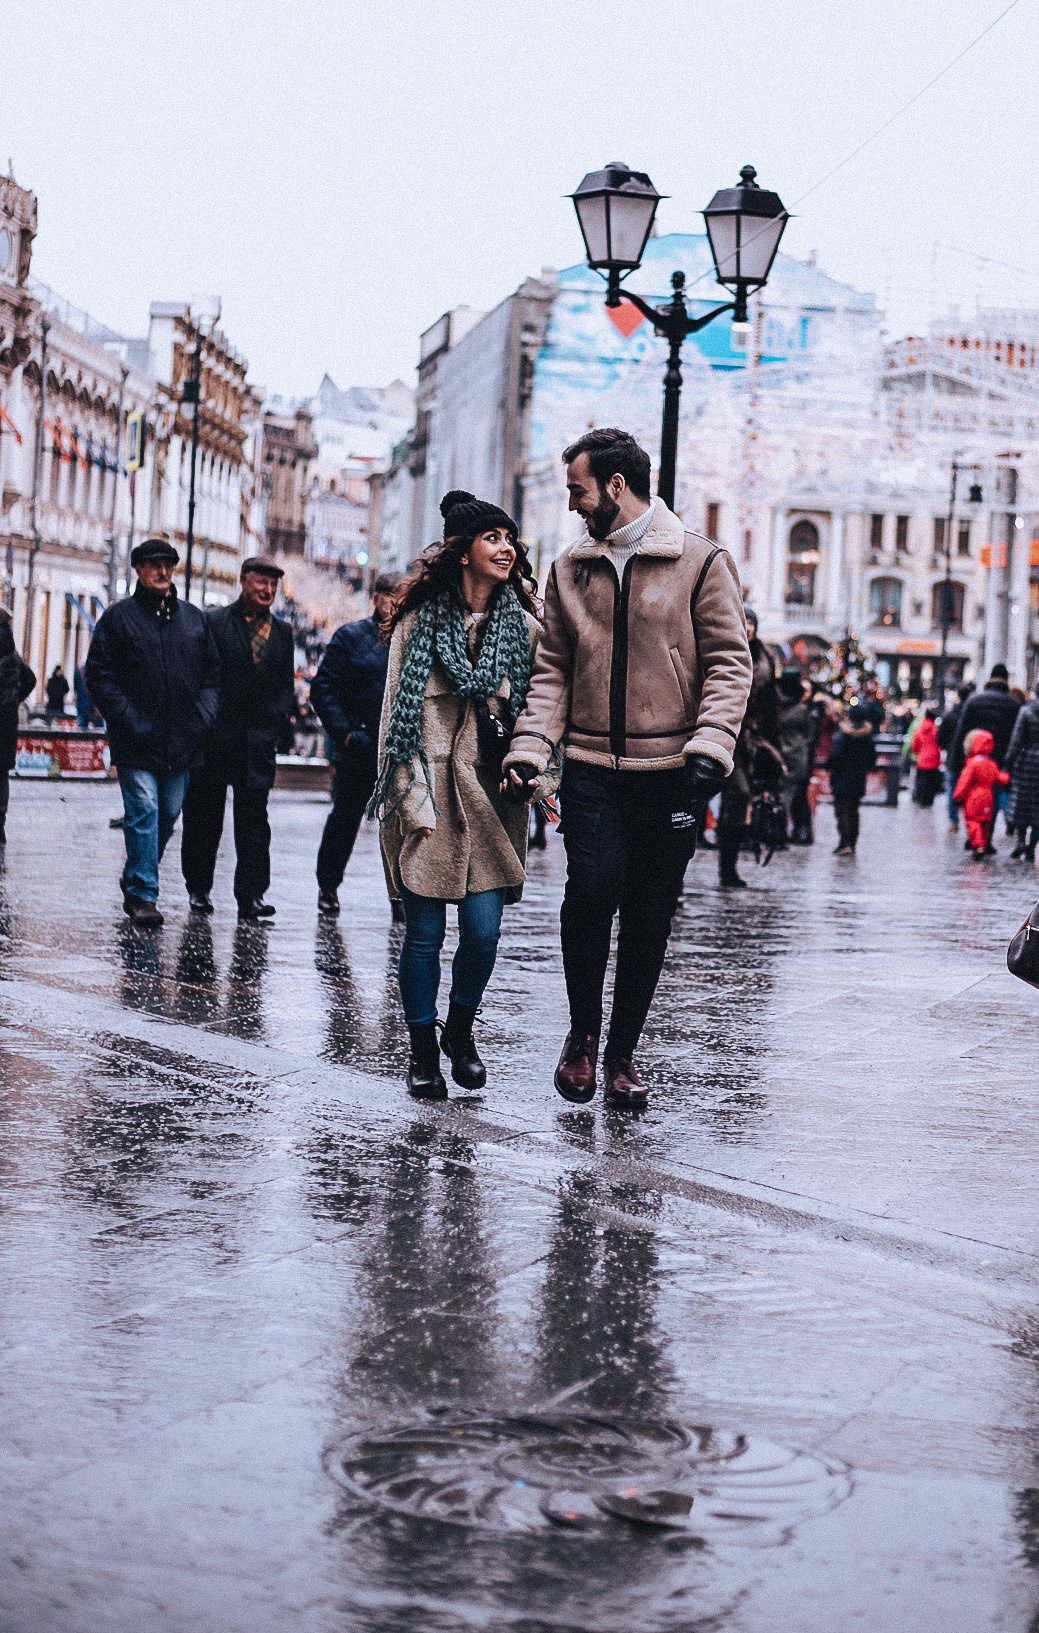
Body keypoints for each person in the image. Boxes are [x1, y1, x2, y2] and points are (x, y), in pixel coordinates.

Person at [501, 427, 751, 1108]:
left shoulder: (700, 562)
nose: (573, 504)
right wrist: (529, 748)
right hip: (588, 764)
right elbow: (551, 671)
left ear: (615, 485)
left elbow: (730, 663)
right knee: (591, 886)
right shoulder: (568, 569)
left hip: (673, 768)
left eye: (578, 490)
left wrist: (711, 743)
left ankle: (620, 1054)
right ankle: (582, 1034)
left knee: (648, 913)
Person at [371, 491, 549, 1100]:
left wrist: (535, 777)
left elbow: (539, 717)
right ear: (464, 551)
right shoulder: (418, 623)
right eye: (493, 538)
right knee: (422, 937)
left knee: (482, 932)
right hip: (425, 799)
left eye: (510, 539)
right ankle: (422, 1049)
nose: (506, 548)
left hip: (493, 802)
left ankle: (460, 1030)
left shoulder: (525, 629)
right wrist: (407, 802)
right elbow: (394, 717)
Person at [85, 539, 220, 928]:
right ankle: (144, 894)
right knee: (143, 810)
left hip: (183, 738)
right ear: (139, 571)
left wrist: (202, 716)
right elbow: (99, 674)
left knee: (168, 813)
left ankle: (133, 875)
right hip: (135, 738)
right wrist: (126, 716)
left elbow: (213, 675)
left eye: (168, 565)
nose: (162, 572)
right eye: (153, 565)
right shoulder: (118, 618)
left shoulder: (193, 620)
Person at [179, 557, 295, 920]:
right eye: (262, 583)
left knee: (254, 823)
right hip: (215, 738)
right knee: (203, 818)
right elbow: (199, 675)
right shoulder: (213, 622)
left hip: (257, 742)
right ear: (243, 581)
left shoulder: (283, 632)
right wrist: (205, 720)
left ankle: (252, 897)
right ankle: (198, 889)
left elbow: (285, 686)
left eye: (273, 586)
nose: (268, 591)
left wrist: (274, 719)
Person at [311, 570, 403, 916]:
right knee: (345, 819)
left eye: (402, 597)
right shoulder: (351, 637)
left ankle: (401, 896)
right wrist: (346, 734)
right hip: (359, 748)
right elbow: (323, 688)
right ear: (375, 598)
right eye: (390, 597)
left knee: (402, 826)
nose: (396, 604)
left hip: (399, 751)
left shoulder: (413, 640)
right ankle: (328, 886)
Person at [716, 609, 783, 887]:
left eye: (752, 622)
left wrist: (772, 745)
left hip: (746, 742)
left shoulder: (763, 657)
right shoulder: (720, 647)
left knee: (740, 795)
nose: (748, 627)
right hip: (716, 731)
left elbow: (770, 706)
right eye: (744, 621)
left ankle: (728, 868)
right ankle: (676, 874)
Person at [950, 664, 1021, 845]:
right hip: (1000, 760)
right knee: (993, 799)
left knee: (974, 797)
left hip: (975, 760)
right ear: (1006, 680)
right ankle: (986, 837)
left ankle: (975, 835)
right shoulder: (1013, 704)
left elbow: (961, 732)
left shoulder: (974, 701)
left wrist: (956, 761)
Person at [0, 609, 35, 844]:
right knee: (1, 774)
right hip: (5, 718)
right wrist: (14, 699)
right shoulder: (12, 653)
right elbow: (30, 679)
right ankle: (0, 824)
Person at [825, 703, 877, 855]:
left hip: (841, 778)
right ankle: (851, 842)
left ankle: (845, 842)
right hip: (858, 779)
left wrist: (831, 767)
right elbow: (871, 760)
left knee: (842, 811)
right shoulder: (867, 737)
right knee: (853, 811)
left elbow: (835, 757)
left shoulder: (842, 736)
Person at [954, 729, 1010, 859]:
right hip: (988, 797)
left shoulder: (972, 764)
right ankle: (984, 843)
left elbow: (964, 783)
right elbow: (1000, 778)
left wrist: (957, 798)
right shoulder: (991, 764)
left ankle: (978, 846)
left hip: (973, 798)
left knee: (973, 822)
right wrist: (1008, 777)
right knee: (985, 822)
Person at [777, 668, 818, 846]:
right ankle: (794, 832)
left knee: (788, 796)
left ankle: (783, 832)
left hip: (786, 755)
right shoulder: (802, 710)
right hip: (797, 756)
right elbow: (809, 735)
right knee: (793, 796)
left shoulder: (783, 708)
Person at [1005, 686, 1039, 861]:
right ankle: (1032, 845)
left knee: (1022, 804)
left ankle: (1020, 841)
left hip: (1026, 762)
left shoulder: (1026, 711)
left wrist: (1008, 762)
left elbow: (1016, 739)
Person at [937, 681, 974, 832]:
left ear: (958, 696)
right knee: (969, 790)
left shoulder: (950, 715)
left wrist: (949, 747)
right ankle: (968, 819)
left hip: (953, 758)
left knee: (952, 790)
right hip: (969, 759)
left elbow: (940, 737)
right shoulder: (973, 716)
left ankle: (954, 821)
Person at [910, 707, 943, 807]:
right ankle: (930, 800)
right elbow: (940, 743)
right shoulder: (936, 730)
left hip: (922, 759)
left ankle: (922, 800)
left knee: (922, 780)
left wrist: (917, 752)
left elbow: (914, 746)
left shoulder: (919, 729)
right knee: (931, 780)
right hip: (934, 759)